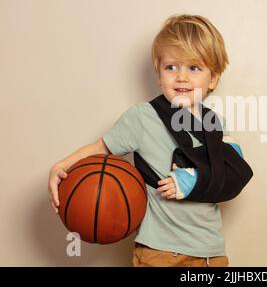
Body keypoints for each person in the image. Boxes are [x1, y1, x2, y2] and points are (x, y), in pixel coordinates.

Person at [48, 14, 253, 267]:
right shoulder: (143, 118)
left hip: (211, 252)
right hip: (160, 252)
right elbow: (101, 148)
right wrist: (62, 166)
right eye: (171, 67)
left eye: (194, 68)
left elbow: (232, 175)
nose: (182, 77)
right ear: (159, 73)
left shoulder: (216, 123)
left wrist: (192, 179)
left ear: (213, 79)